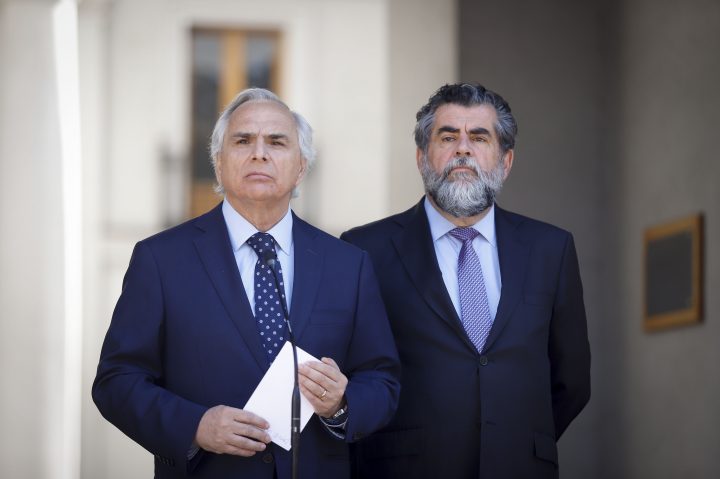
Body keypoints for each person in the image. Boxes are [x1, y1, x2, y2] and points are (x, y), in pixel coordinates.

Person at [92, 88, 400, 479]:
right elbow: (117, 381)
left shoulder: (349, 265)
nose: (259, 153)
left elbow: (382, 381)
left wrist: (341, 404)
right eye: (242, 141)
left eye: (277, 142)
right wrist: (195, 426)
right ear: (219, 164)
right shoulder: (160, 260)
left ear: (301, 167)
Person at [341, 83, 591, 479]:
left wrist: (514, 442)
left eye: (479, 137)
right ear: (421, 157)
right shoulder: (364, 250)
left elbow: (571, 380)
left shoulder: (551, 249)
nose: (463, 149)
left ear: (505, 161)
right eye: (447, 137)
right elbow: (352, 373)